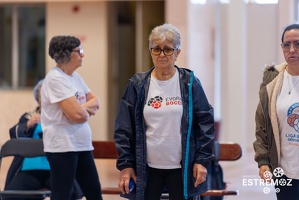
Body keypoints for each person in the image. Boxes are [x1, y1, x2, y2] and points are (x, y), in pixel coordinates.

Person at [114, 23, 215, 200]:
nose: (162, 55)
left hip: (182, 168)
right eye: (156, 49)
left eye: (168, 49)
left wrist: (201, 161)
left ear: (177, 53)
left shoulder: (190, 83)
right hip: (147, 168)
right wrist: (126, 165)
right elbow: (124, 129)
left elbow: (205, 123)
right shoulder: (137, 85)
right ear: (150, 51)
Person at [40, 35, 102, 200]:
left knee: (94, 192)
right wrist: (82, 110)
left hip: (81, 145)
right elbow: (77, 115)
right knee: (63, 195)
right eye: (79, 51)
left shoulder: (75, 77)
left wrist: (81, 109)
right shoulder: (55, 79)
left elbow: (96, 101)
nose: (82, 54)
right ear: (66, 54)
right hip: (63, 146)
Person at [5, 79, 82, 200]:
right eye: (42, 96)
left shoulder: (64, 116)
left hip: (55, 170)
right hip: (29, 170)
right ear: (38, 99)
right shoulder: (28, 116)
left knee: (68, 192)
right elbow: (13, 136)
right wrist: (28, 125)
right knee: (10, 194)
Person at [253, 23, 299, 200]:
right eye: (287, 45)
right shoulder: (272, 79)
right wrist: (263, 161)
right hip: (284, 170)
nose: (292, 49)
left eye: (298, 43)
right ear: (282, 47)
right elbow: (262, 124)